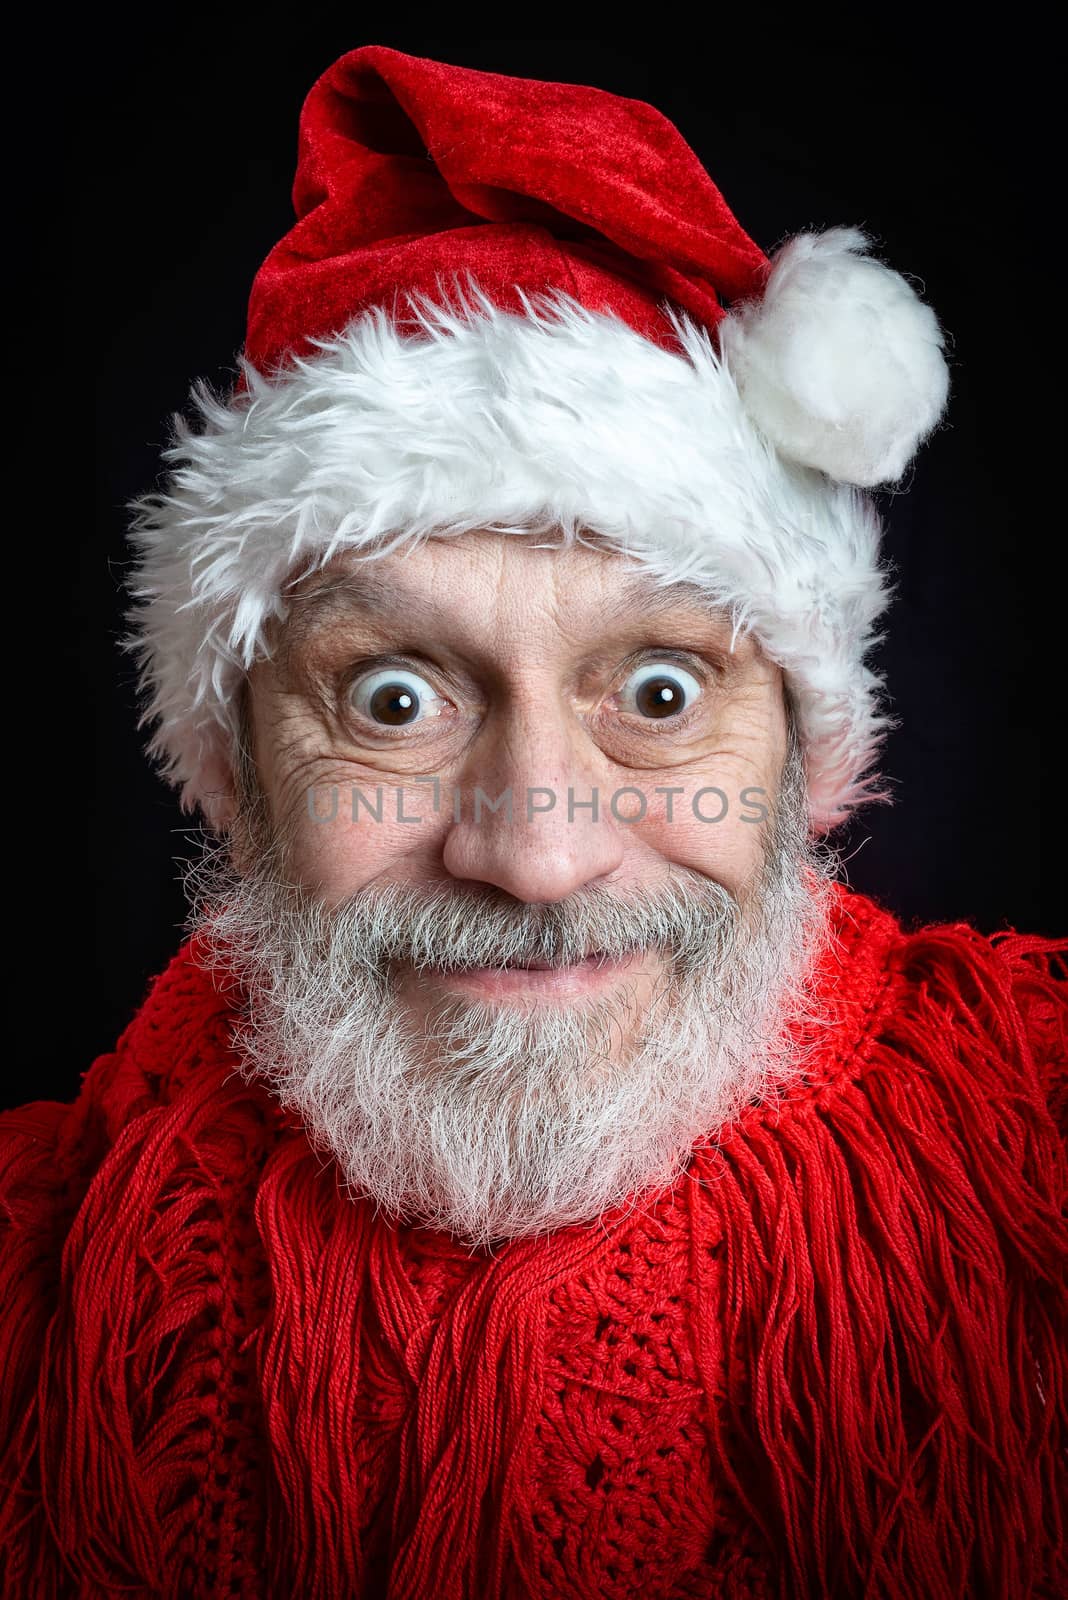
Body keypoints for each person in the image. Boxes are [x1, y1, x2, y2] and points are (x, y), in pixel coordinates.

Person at [2, 43, 1064, 1599]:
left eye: (654, 691)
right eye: (392, 702)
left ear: (803, 756)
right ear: (235, 767)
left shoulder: (1032, 1148)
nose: (539, 854)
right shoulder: (38, 1284)